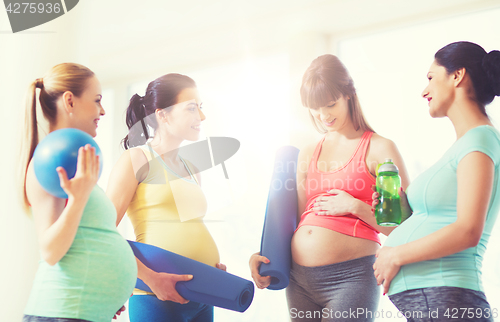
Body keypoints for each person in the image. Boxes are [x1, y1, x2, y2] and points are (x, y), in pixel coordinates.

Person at [250, 54, 410, 321]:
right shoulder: (308, 152)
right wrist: (265, 256)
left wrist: (355, 207)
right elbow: (296, 221)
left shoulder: (380, 149)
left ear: (348, 94)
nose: (323, 115)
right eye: (314, 108)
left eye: (330, 104)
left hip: (352, 277)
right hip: (299, 280)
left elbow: (404, 228)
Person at [373, 41, 500, 322]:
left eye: (431, 78)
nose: (424, 90)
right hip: (436, 303)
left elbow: (468, 230)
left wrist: (396, 256)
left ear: (457, 75)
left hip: (447, 299)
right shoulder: (464, 145)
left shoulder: (480, 139)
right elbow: (430, 223)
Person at [19, 63, 137, 322]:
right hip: (62, 312)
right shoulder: (50, 161)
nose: (103, 110)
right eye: (97, 101)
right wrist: (79, 198)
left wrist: (106, 291)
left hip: (83, 312)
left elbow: (90, 237)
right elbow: (50, 251)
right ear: (70, 101)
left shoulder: (71, 163)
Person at [106, 73, 226, 322]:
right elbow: (102, 231)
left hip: (202, 292)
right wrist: (150, 278)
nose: (201, 117)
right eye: (192, 108)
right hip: (154, 296)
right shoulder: (136, 159)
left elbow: (190, 229)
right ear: (162, 114)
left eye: (201, 108)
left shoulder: (192, 167)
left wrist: (210, 268)